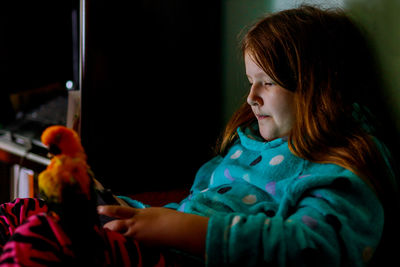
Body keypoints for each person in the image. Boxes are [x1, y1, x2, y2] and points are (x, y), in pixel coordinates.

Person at [0, 5, 398, 267]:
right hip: (162, 242)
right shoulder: (248, 147)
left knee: (39, 240)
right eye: (250, 81)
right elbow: (192, 207)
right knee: (25, 210)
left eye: (267, 83)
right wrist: (121, 208)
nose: (251, 98)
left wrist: (183, 231)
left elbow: (317, 249)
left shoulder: (339, 168)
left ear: (320, 88)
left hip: (177, 259)